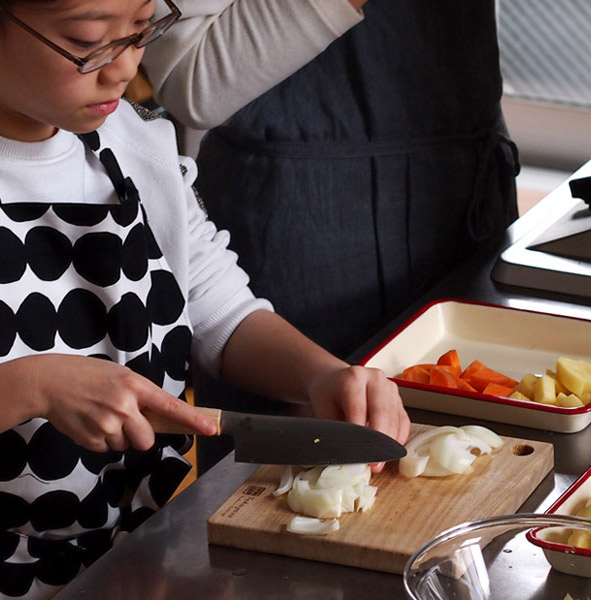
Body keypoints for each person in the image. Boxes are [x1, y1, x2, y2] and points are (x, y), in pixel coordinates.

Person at [0, 1, 409, 598]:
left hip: (137, 558)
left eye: (141, 31)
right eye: (90, 41)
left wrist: (320, 376)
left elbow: (218, 308)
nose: (123, 69)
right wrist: (30, 386)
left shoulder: (129, 141)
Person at [143, 1, 519, 425]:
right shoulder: (132, 154)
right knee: (297, 475)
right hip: (303, 229)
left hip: (468, 198)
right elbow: (192, 81)